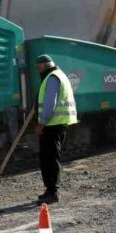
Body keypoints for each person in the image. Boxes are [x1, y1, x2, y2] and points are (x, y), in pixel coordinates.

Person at [34, 54, 78, 205]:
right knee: (49, 158)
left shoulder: (52, 78)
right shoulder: (59, 74)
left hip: (52, 125)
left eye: (38, 68)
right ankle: (50, 190)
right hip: (56, 124)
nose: (37, 71)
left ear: (43, 66)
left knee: (50, 159)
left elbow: (50, 103)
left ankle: (53, 193)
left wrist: (42, 123)